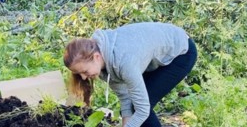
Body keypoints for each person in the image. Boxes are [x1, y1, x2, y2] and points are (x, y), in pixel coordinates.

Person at [63, 22, 198, 127]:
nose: (84, 77)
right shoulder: (104, 64)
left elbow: (142, 110)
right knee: (133, 105)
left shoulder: (124, 61)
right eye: (79, 74)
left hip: (181, 52)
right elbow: (125, 99)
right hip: (150, 56)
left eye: (85, 71)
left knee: (142, 106)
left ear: (96, 57)